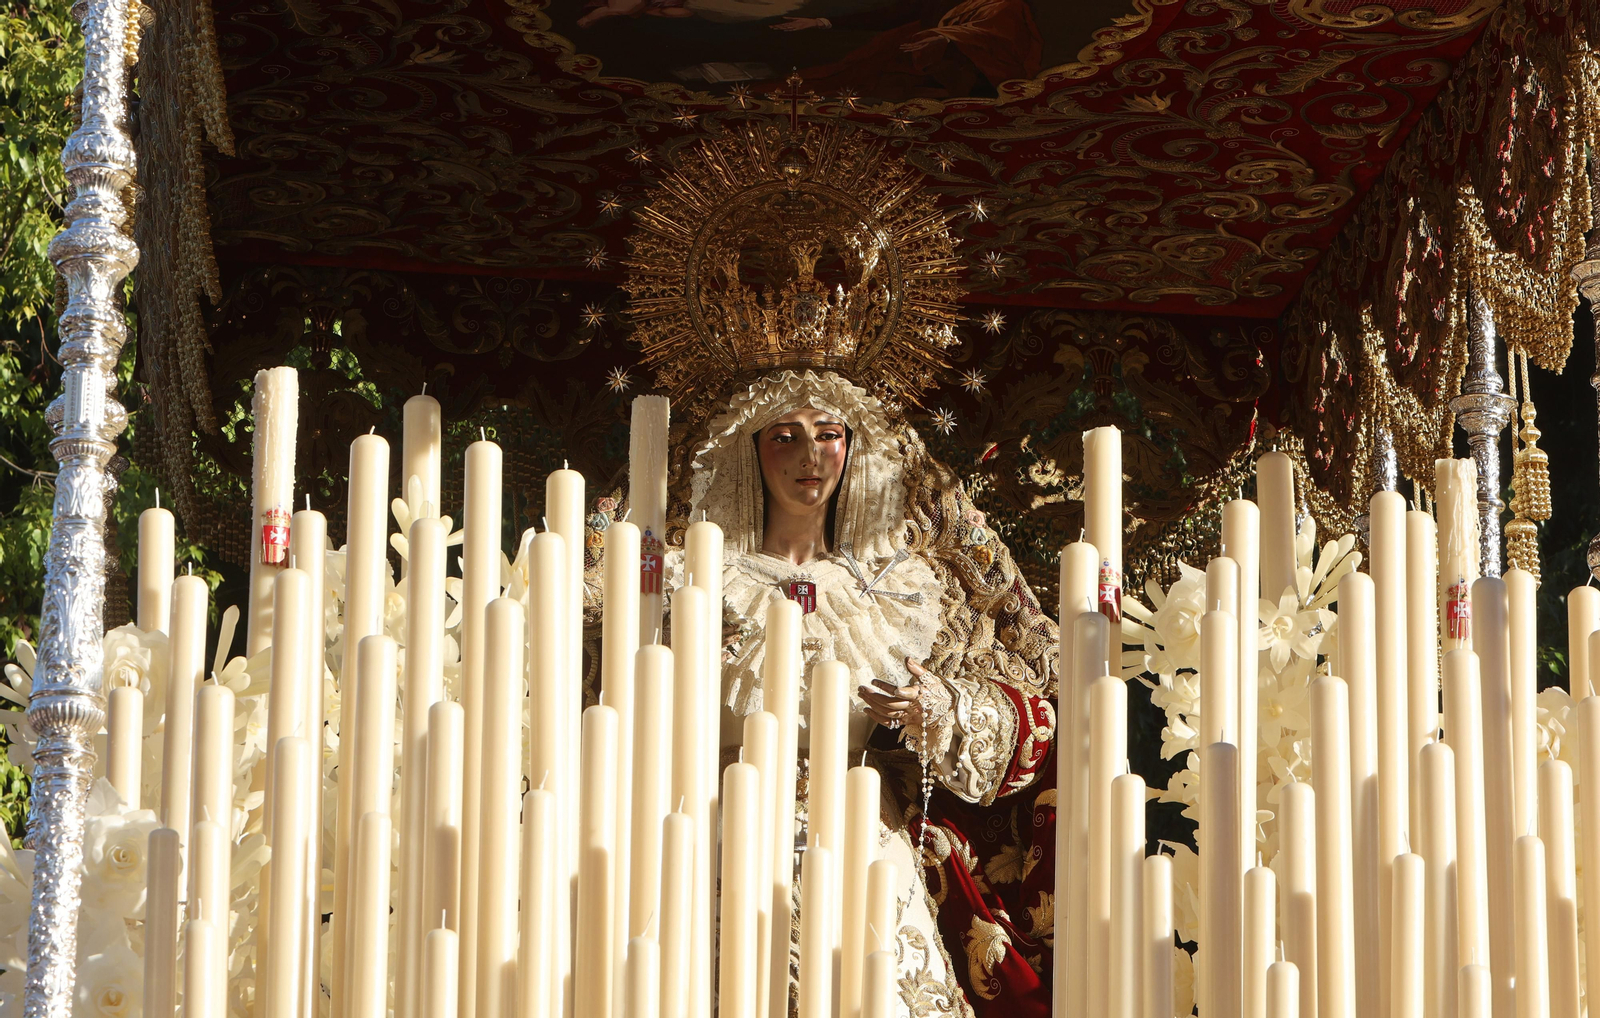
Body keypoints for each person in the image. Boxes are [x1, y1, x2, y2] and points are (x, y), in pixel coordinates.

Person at [603, 367, 1059, 1015]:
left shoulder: (898, 587)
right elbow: (610, 687)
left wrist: (937, 710)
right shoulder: (685, 576)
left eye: (828, 434)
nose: (809, 456)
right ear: (749, 448)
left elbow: (1024, 712)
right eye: (785, 436)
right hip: (709, 833)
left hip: (855, 834)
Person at [771, 0, 1042, 100]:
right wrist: (820, 22)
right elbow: (892, 14)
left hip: (968, 72)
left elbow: (998, 36)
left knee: (884, 88)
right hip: (917, 58)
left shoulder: (1008, 4)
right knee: (851, 74)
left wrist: (947, 39)